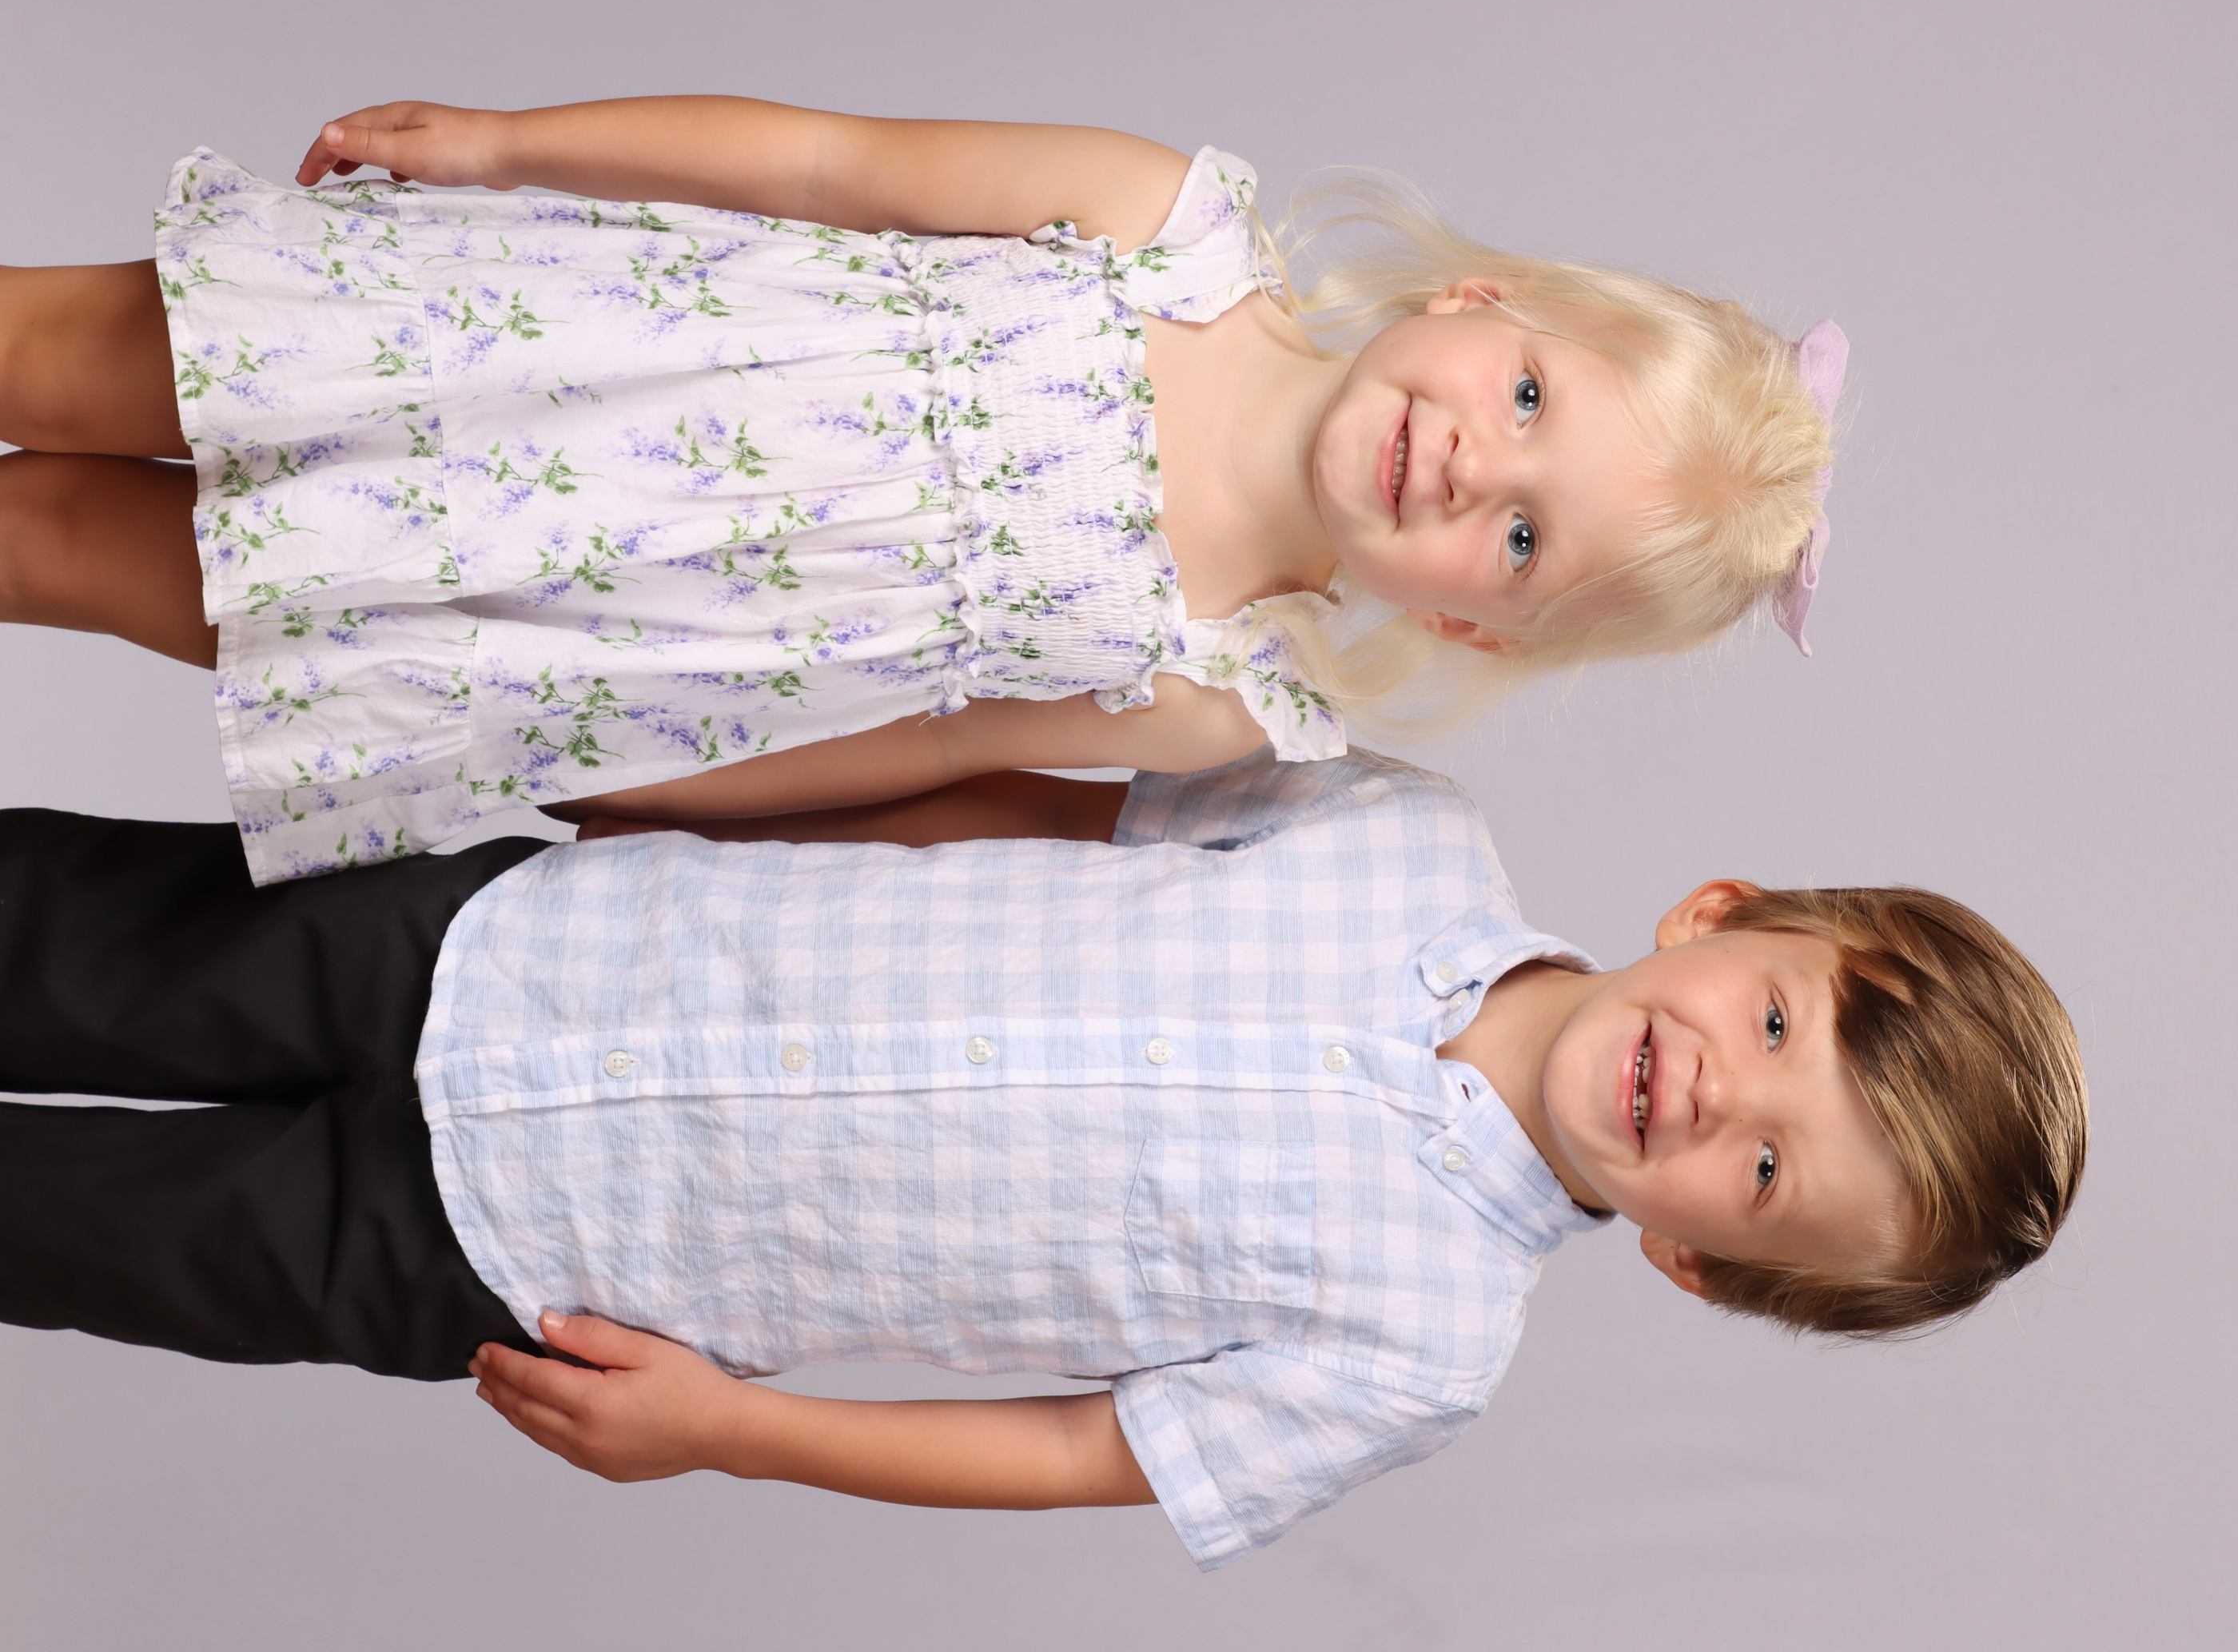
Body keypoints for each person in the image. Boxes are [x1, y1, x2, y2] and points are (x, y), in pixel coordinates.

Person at [0, 751, 2085, 1570]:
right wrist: (719, 805)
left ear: (1699, 1266)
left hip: (523, 1248)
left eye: (1766, 1177)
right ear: (1725, 913)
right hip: (537, 941)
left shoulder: (1424, 1345)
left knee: (61, 1229)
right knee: (58, 931)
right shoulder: (1396, 829)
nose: (1717, 1101)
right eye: (1778, 1030)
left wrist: (729, 1430)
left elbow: (1084, 1449)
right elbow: (1016, 803)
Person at [0, 96, 1841, 884]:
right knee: (50, 358)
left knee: (63, 545)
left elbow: (906, 750)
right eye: (1523, 400)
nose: (1468, 462)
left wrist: (658, 797)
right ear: (1481, 302)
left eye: (1520, 534)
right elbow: (827, 163)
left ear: (1476, 624)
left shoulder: (1217, 687)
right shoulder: (1166, 231)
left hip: (551, 624)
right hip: (509, 338)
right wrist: (506, 143)